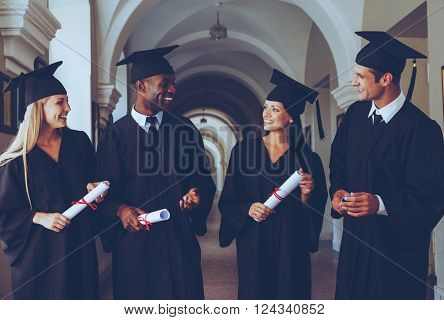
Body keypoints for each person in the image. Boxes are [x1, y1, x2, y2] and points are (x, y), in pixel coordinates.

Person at [330, 31, 444, 299]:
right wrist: (337, 191)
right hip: (355, 244)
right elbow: (338, 161)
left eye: (361, 76)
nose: (354, 82)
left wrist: (381, 204)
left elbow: (433, 197)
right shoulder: (355, 116)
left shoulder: (421, 129)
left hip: (395, 254)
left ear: (386, 79)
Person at [96, 45, 216, 299]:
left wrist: (196, 195)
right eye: (165, 83)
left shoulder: (184, 129)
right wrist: (120, 210)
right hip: (135, 244)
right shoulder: (116, 136)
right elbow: (103, 193)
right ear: (141, 86)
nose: (172, 89)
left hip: (179, 239)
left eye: (173, 83)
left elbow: (203, 180)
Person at [218, 69, 327, 299]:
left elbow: (315, 212)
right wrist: (247, 208)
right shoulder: (244, 151)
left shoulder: (308, 159)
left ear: (291, 117)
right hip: (253, 243)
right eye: (266, 106)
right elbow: (228, 198)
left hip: (291, 245)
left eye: (275, 109)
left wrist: (307, 196)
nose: (266, 113)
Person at [0, 62, 102, 299]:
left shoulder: (79, 143)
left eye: (67, 100)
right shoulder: (17, 160)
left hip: (80, 251)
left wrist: (94, 187)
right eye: (60, 102)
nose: (68, 108)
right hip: (39, 260)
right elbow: (4, 212)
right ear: (38, 108)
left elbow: (93, 180)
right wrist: (38, 216)